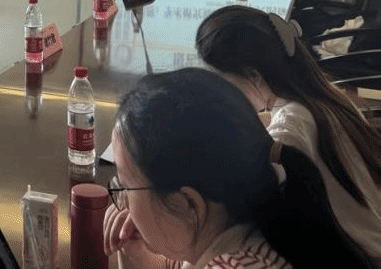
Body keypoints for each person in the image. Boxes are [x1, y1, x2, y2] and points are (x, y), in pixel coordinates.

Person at [103, 68, 372, 269]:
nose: (122, 204)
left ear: (188, 203)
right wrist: (139, 254)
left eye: (125, 187)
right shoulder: (256, 224)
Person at [195, 5, 381, 262]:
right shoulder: (322, 98)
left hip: (360, 257)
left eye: (220, 82)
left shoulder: (286, 136)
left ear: (253, 76)